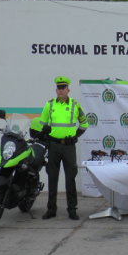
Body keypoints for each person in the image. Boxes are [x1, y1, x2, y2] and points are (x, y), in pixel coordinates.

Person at [40, 76, 88, 220]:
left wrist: (75, 136)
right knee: (52, 178)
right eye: (59, 88)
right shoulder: (49, 105)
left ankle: (72, 210)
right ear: (56, 90)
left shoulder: (75, 105)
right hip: (53, 146)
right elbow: (43, 124)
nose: (61, 90)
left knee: (70, 178)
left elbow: (84, 123)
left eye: (63, 88)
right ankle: (51, 209)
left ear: (68, 90)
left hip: (68, 146)